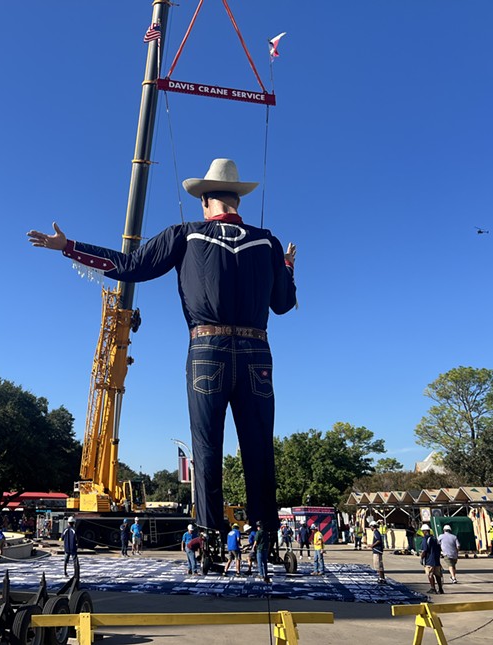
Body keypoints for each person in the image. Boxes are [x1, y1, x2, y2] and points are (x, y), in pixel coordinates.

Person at [27, 158, 297, 534]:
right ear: (237, 199)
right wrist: (286, 267)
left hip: (207, 348)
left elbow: (129, 265)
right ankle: (266, 536)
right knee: (259, 449)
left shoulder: (186, 234)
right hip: (257, 353)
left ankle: (208, 538)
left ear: (205, 200)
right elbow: (283, 305)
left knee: (206, 448)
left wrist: (69, 246)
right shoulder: (267, 241)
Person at [420, 524, 444, 594]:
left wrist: (422, 558)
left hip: (429, 560)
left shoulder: (425, 539)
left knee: (430, 574)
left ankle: (433, 588)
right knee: (438, 575)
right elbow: (439, 549)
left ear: (424, 531)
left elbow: (424, 550)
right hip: (436, 560)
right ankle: (440, 589)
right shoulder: (434, 538)